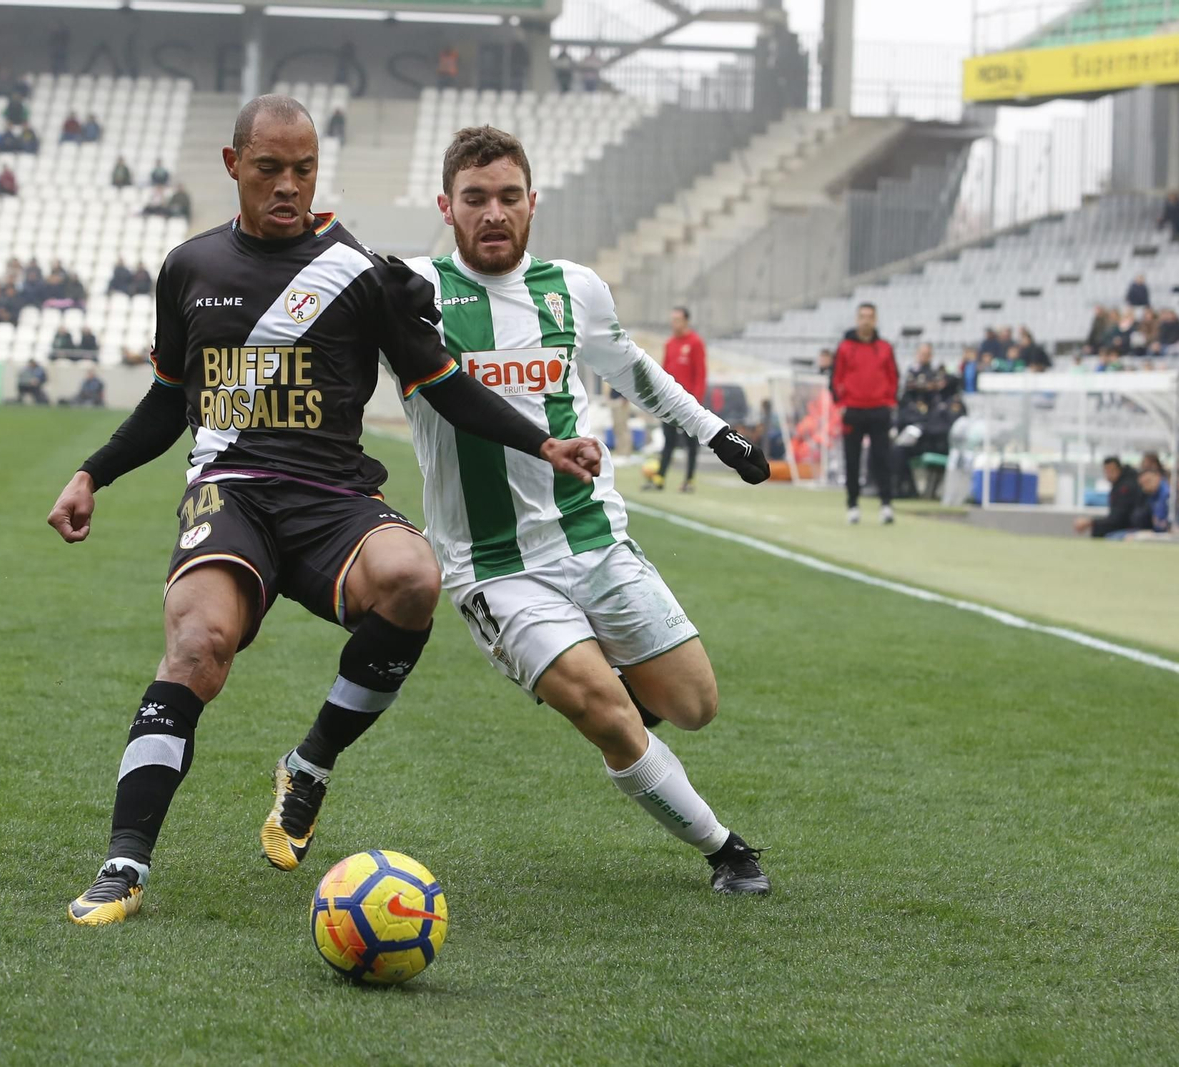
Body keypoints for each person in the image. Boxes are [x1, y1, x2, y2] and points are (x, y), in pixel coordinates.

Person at [49, 94, 601, 926]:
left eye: (303, 170)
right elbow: (168, 402)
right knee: (197, 646)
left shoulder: (361, 272)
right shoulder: (190, 267)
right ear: (234, 165)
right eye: (269, 168)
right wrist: (94, 473)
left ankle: (309, 764)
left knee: (414, 577)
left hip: (333, 496)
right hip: (231, 489)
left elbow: (444, 384)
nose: (288, 185)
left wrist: (543, 441)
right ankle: (123, 864)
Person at [398, 124, 773, 895]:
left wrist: (717, 434)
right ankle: (727, 850)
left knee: (694, 704)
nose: (493, 212)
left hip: (591, 535)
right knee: (607, 714)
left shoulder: (574, 288)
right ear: (446, 206)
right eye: (475, 198)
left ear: (532, 202)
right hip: (491, 565)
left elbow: (632, 369)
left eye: (508, 197)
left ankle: (609, 687)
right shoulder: (412, 292)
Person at [832, 302, 898, 524]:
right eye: (862, 316)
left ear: (875, 319)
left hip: (879, 410)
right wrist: (841, 404)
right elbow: (836, 377)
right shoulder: (844, 347)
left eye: (870, 316)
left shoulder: (885, 348)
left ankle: (886, 504)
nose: (866, 321)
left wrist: (889, 401)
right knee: (852, 459)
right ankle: (852, 505)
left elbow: (893, 376)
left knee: (882, 458)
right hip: (853, 410)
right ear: (857, 319)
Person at [642, 306, 708, 492]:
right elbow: (664, 373)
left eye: (677, 320)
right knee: (668, 440)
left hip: (688, 403)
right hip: (669, 402)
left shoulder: (695, 343)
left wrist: (696, 401)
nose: (674, 323)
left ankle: (689, 480)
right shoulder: (670, 343)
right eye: (673, 320)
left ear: (686, 321)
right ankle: (660, 478)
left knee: (690, 442)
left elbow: (700, 374)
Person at [1073, 457, 1143, 538]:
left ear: (1118, 469)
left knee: (1102, 531)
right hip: (1127, 526)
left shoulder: (1126, 488)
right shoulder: (1119, 485)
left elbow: (1119, 518)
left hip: (1130, 528)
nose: (1108, 474)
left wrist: (1091, 523)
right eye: (1106, 471)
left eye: (1111, 470)